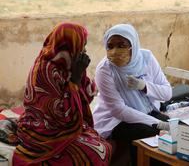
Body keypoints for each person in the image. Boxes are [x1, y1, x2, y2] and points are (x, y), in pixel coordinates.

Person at [13, 22, 111, 166]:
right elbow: (60, 116)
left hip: (67, 126)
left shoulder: (68, 64)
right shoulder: (45, 71)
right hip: (44, 129)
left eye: (84, 45)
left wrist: (79, 75)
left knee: (101, 145)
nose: (83, 50)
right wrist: (75, 80)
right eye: (81, 45)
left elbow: (86, 96)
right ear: (68, 46)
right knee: (95, 152)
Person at [92, 23, 172, 164]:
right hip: (116, 121)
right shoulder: (105, 70)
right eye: (110, 46)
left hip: (147, 111)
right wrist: (157, 123)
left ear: (133, 45)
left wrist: (144, 86)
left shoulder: (146, 57)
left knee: (179, 130)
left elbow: (167, 93)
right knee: (150, 134)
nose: (115, 51)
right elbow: (119, 110)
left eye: (121, 45)